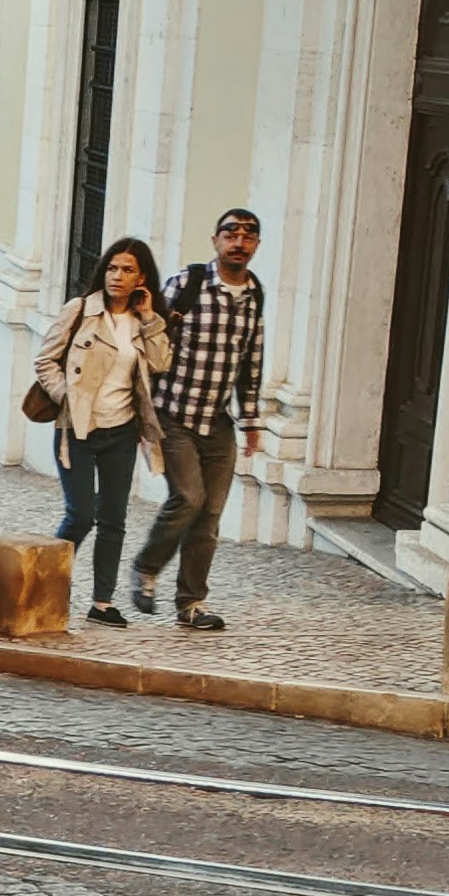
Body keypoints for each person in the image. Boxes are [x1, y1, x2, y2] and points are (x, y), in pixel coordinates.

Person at [135, 204, 267, 630]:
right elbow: (149, 340)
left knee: (209, 518)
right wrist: (143, 413)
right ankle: (146, 567)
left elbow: (251, 363)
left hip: (218, 423)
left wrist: (251, 421)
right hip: (173, 414)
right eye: (230, 233)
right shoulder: (187, 285)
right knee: (188, 499)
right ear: (216, 241)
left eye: (248, 236)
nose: (238, 242)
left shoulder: (253, 295)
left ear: (256, 246)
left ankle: (191, 604)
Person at [33, 235, 171, 626]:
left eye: (128, 270)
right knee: (81, 516)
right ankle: (44, 588)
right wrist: (67, 398)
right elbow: (45, 362)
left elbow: (161, 363)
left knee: (113, 519)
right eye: (112, 267)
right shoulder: (80, 310)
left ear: (141, 278)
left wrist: (148, 318)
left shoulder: (143, 322)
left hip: (122, 432)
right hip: (77, 430)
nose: (117, 276)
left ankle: (102, 603)